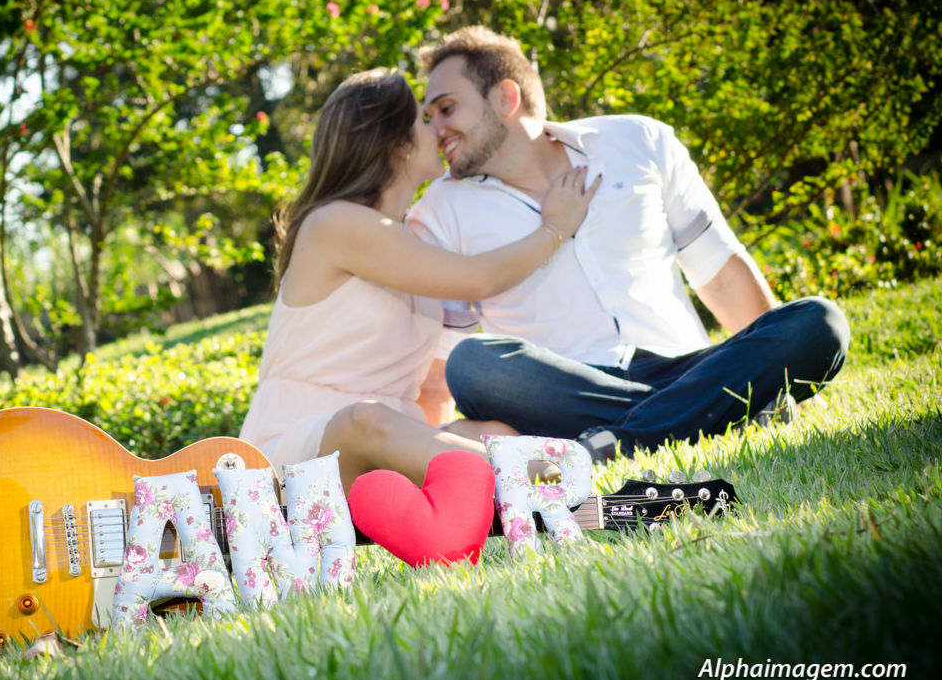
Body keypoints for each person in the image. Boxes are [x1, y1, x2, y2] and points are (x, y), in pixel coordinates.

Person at [405, 26, 850, 462]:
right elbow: (444, 363)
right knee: (473, 363)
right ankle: (717, 411)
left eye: (445, 109)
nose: (436, 129)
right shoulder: (439, 212)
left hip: (687, 368)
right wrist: (429, 446)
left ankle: (618, 442)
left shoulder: (638, 141)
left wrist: (773, 374)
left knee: (819, 321)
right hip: (564, 392)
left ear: (505, 98)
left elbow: (720, 273)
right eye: (430, 117)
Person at [238, 68, 599, 489]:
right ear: (398, 144)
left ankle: (515, 480)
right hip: (300, 445)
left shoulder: (407, 242)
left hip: (385, 436)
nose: (439, 131)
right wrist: (553, 231)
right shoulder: (334, 223)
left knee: (494, 433)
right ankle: (544, 478)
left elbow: (429, 387)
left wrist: (445, 439)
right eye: (423, 121)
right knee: (365, 419)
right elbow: (478, 278)